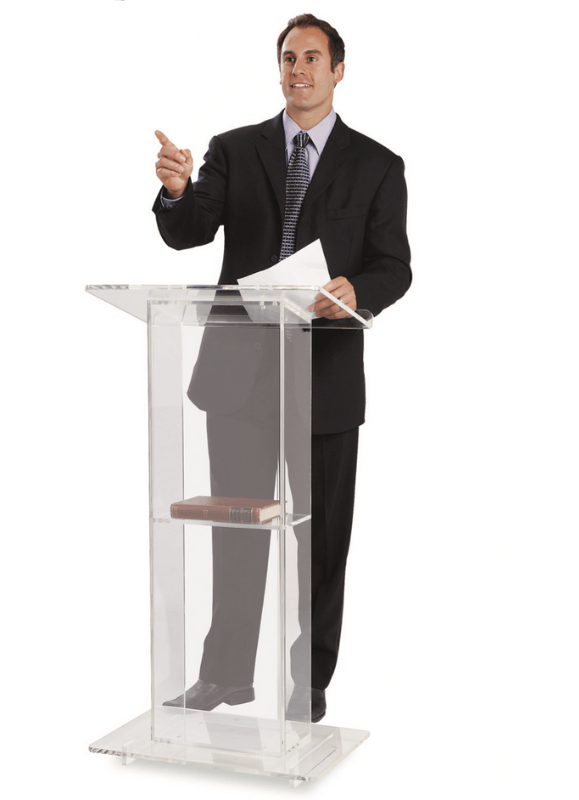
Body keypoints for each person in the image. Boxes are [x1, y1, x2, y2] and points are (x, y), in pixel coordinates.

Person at [152, 13, 411, 722]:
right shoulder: (236, 150)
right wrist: (177, 191)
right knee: (236, 530)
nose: (298, 69)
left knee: (318, 540)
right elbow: (190, 231)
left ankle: (310, 679)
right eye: (288, 58)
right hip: (239, 373)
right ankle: (226, 674)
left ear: (338, 70)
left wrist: (362, 290)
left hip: (323, 377)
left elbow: (396, 266)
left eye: (312, 58)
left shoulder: (377, 165)